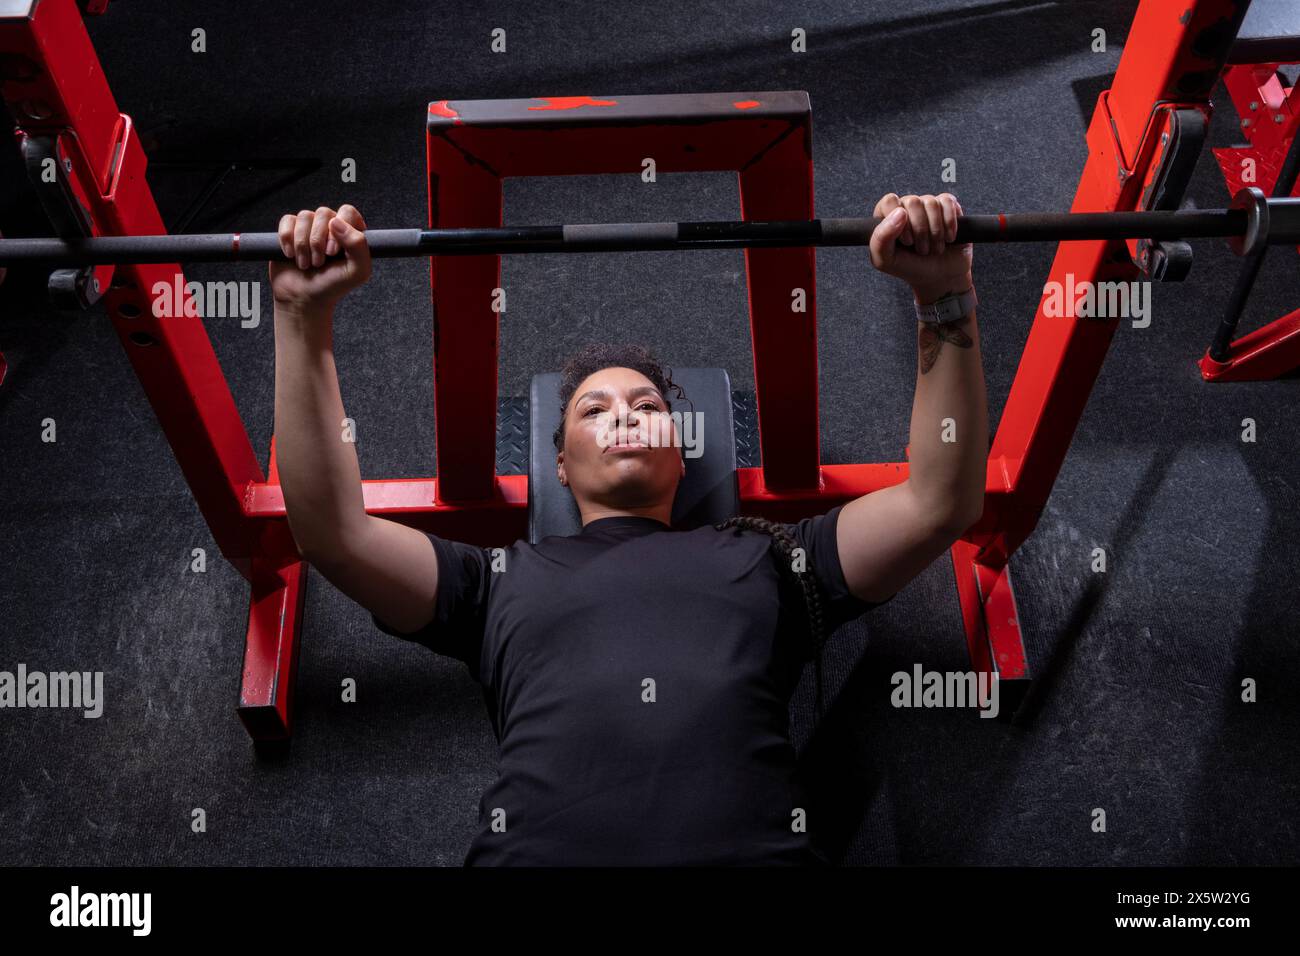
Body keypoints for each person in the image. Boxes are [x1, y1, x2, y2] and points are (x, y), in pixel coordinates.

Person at [272, 193, 989, 866]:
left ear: (682, 452)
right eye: (592, 410)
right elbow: (334, 533)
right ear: (559, 465)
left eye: (646, 404)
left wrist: (943, 295)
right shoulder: (493, 582)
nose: (623, 413)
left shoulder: (776, 559)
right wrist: (302, 317)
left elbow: (937, 503)